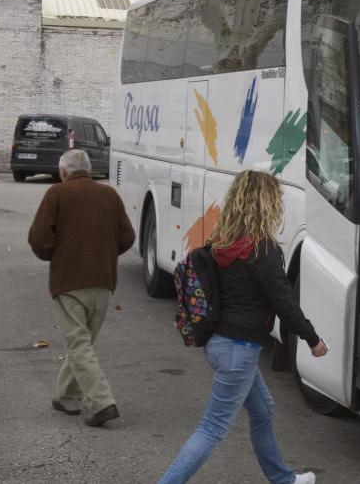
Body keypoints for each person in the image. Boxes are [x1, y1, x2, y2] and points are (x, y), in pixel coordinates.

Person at [159, 170, 327, 484]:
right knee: (211, 428)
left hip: (220, 344)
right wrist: (313, 338)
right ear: (267, 204)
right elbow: (285, 303)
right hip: (240, 350)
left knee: (262, 410)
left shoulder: (222, 245)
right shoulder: (261, 250)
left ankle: (283, 480)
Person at [27, 149, 135, 427]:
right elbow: (128, 236)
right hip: (103, 283)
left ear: (63, 171)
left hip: (69, 282)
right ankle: (67, 396)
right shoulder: (109, 195)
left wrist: (55, 255)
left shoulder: (57, 194)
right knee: (82, 342)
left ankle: (103, 403)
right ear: (89, 169)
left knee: (78, 343)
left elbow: (38, 238)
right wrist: (106, 254)